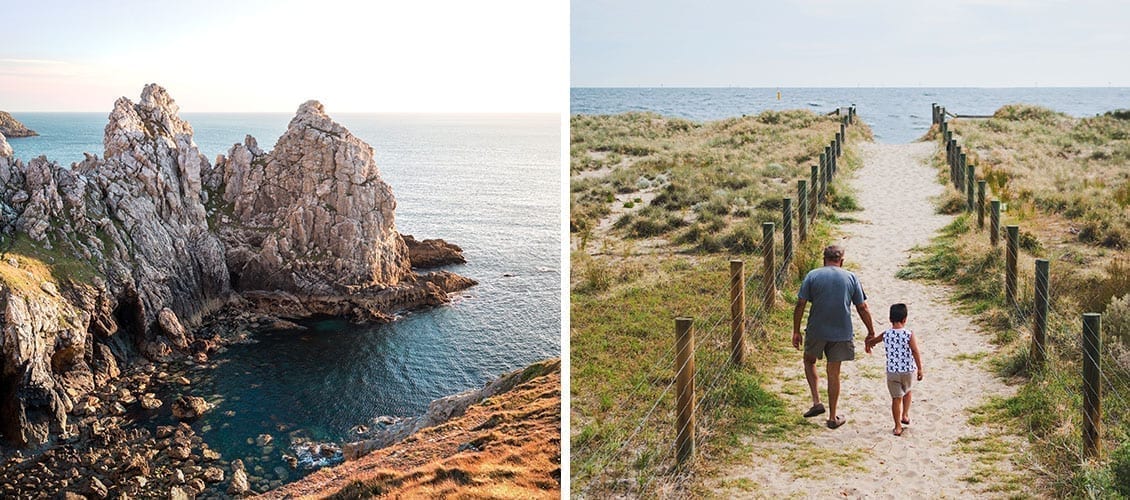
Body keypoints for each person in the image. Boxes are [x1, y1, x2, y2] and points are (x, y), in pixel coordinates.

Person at [791, 245, 877, 429]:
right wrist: (870, 331)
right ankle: (832, 417)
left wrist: (796, 330)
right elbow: (862, 307)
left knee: (809, 360)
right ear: (842, 261)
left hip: (816, 330)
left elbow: (800, 304)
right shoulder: (851, 277)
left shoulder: (812, 275)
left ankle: (816, 402)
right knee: (834, 372)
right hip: (841, 331)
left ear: (824, 259)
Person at [865, 303, 924, 436]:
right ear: (905, 319)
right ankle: (905, 415)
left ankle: (897, 426)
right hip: (907, 370)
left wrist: (868, 344)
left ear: (890, 319)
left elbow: (874, 341)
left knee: (896, 399)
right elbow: (915, 351)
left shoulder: (886, 334)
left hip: (892, 372)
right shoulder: (909, 334)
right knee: (908, 392)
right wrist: (919, 369)